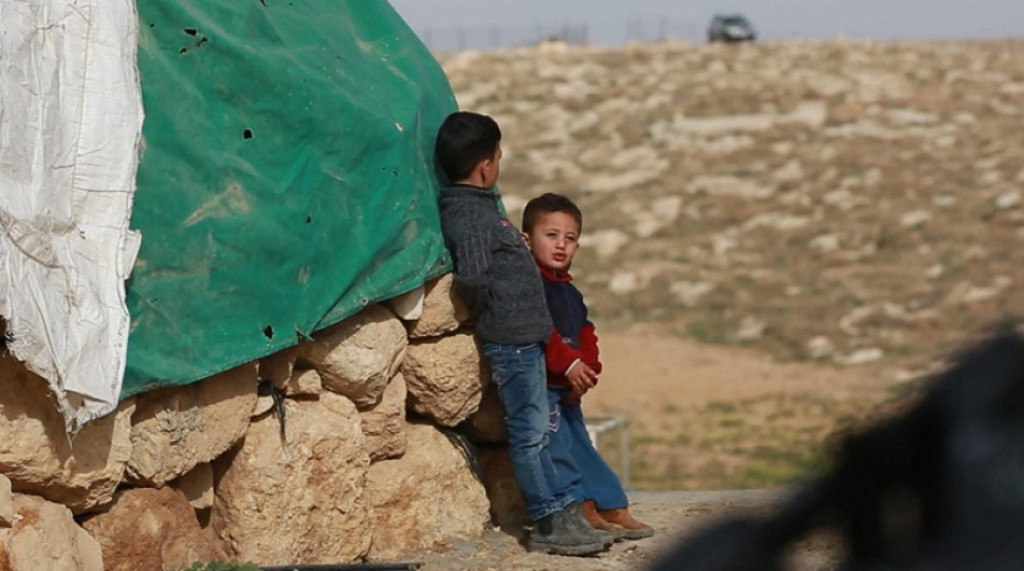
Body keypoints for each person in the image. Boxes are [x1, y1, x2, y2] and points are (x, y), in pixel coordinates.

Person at [434, 112, 613, 556]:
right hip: (511, 343)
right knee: (531, 434)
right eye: (497, 155)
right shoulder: (469, 216)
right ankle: (550, 520)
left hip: (522, 338)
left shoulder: (480, 207)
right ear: (486, 166)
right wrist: (485, 311)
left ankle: (567, 513)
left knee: (540, 433)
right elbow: (473, 276)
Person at [521, 192, 655, 541]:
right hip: (545, 388)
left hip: (568, 388)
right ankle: (581, 509)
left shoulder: (569, 291)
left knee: (581, 445)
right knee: (558, 450)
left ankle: (611, 505)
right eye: (551, 236)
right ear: (526, 239)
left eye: (570, 238)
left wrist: (587, 369)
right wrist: (569, 366)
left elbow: (585, 332)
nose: (561, 245)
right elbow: (541, 332)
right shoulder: (528, 286)